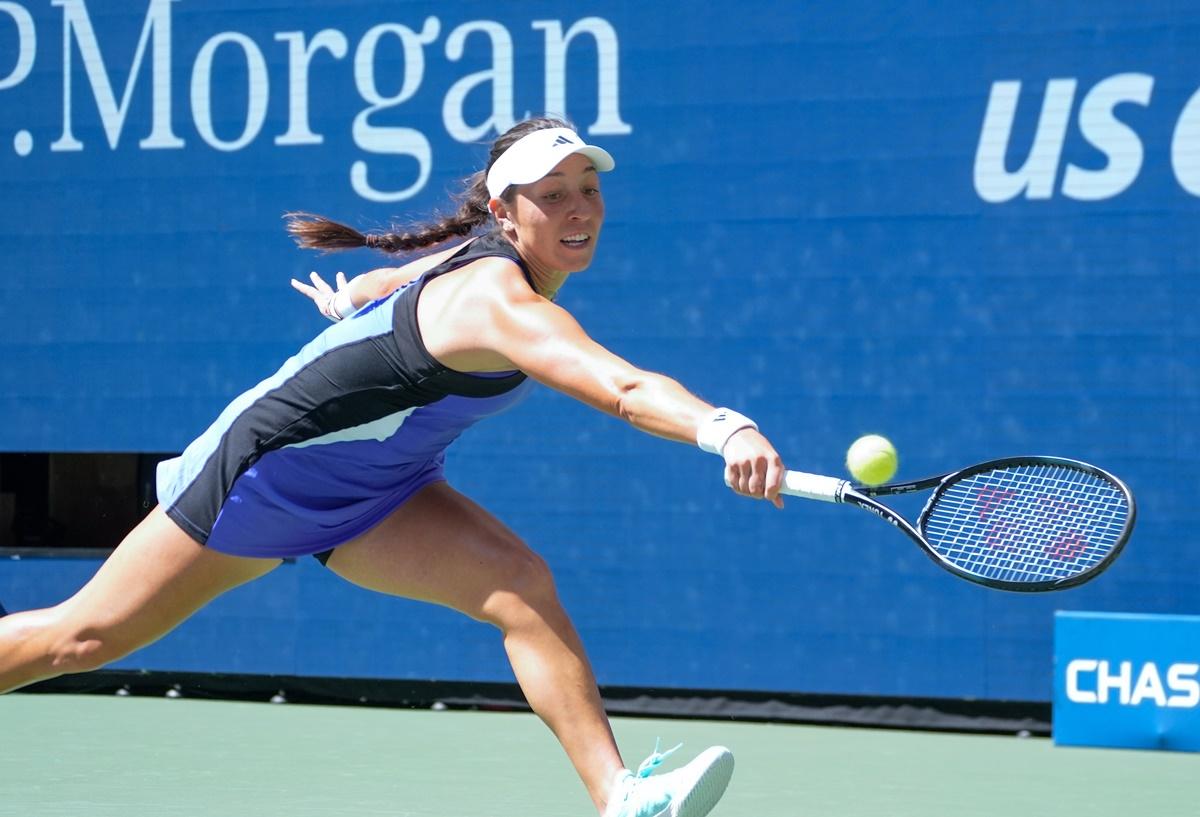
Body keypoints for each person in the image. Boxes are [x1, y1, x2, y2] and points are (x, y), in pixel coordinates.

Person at [0, 116, 786, 817]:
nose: (579, 208)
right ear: (506, 212)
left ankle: (623, 797)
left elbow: (407, 274)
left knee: (521, 586)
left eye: (586, 187)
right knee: (81, 637)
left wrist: (362, 297)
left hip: (380, 487)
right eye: (552, 194)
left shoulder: (483, 256)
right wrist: (724, 427)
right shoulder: (503, 304)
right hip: (264, 478)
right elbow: (621, 386)